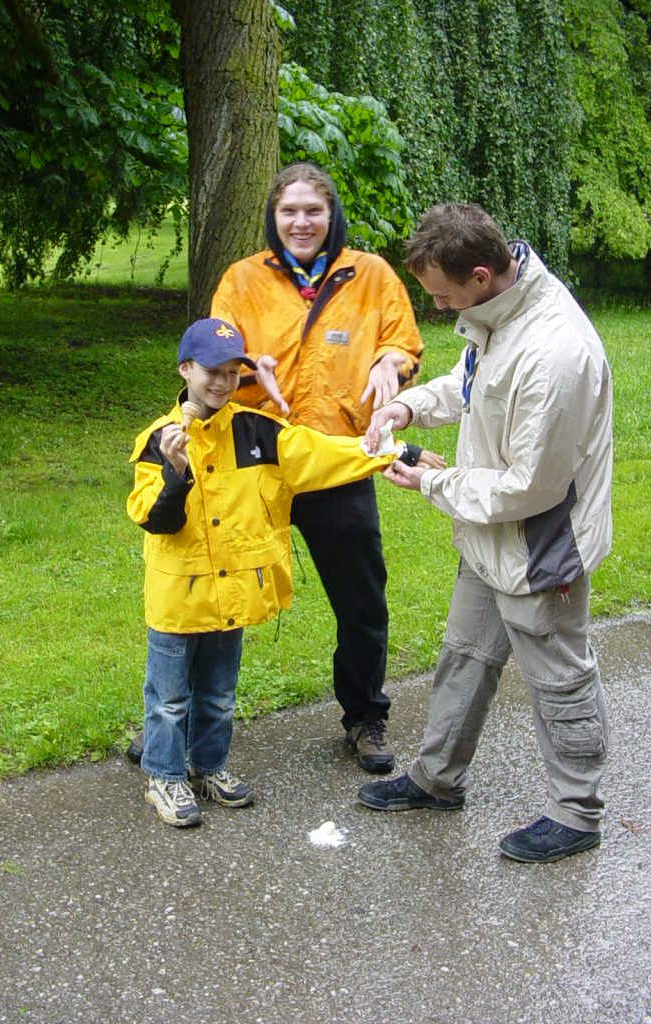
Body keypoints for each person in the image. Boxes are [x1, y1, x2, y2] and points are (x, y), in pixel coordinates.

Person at [358, 203, 613, 864]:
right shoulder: (499, 312)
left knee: (559, 679)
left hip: (540, 545)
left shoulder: (554, 353)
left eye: (442, 296)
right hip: (487, 530)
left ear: (478, 275)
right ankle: (437, 779)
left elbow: (533, 487)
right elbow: (472, 385)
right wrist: (407, 405)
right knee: (466, 653)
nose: (439, 307)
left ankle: (577, 812)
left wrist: (433, 484)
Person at [126, 317, 431, 828]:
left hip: (234, 597)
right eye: (211, 371)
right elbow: (153, 518)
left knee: (219, 696)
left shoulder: (259, 431)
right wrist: (177, 474)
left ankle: (207, 767)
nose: (222, 382)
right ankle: (164, 777)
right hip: (179, 599)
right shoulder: (160, 440)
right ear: (185, 369)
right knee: (169, 700)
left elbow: (324, 453)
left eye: (232, 372)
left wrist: (398, 451)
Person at [208, 162, 430, 773]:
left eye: (313, 211)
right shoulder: (242, 278)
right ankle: (183, 720)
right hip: (259, 458)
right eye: (289, 211)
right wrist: (247, 364)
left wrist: (388, 361)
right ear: (272, 216)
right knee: (218, 592)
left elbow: (403, 342)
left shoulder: (371, 274)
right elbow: (213, 350)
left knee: (362, 602)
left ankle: (365, 717)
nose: (301, 222)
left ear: (332, 216)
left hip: (338, 463)